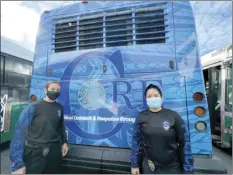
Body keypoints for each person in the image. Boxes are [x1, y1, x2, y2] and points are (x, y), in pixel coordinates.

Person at [131, 84, 193, 174]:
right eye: (149, 96)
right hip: (150, 167)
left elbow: (185, 142)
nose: (153, 98)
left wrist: (188, 168)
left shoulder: (173, 116)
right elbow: (136, 142)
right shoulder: (141, 116)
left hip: (172, 167)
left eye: (156, 95)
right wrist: (134, 165)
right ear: (146, 99)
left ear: (161, 97)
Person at [10, 81, 69, 174]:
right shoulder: (33, 107)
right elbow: (19, 133)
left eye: (58, 90)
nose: (55, 91)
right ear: (45, 90)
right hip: (35, 152)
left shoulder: (59, 107)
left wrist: (64, 142)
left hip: (54, 151)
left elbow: (60, 127)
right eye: (52, 89)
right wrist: (17, 164)